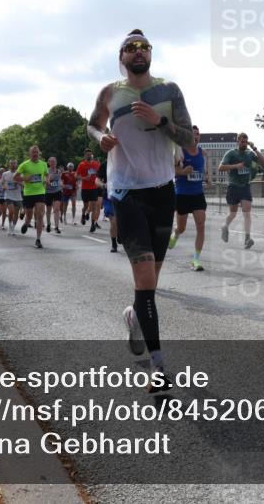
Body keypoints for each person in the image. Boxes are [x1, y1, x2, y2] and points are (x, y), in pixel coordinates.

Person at [88, 29, 194, 391]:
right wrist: (101, 137)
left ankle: (135, 315)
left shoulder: (170, 91)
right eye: (131, 48)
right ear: (121, 57)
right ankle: (159, 368)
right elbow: (92, 125)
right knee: (146, 280)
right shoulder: (110, 93)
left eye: (144, 47)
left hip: (163, 193)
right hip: (126, 192)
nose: (138, 52)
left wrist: (159, 121)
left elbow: (189, 140)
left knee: (150, 282)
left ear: (150, 54)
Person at [168, 124, 208, 271]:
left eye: (198, 134)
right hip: (182, 194)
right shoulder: (180, 152)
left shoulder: (202, 153)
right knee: (182, 228)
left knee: (201, 226)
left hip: (198, 194)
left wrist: (207, 177)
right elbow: (172, 170)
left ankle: (196, 260)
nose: (196, 136)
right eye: (193, 134)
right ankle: (175, 234)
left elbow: (202, 170)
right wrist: (183, 171)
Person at [218, 132, 264, 249]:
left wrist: (254, 148)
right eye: (242, 141)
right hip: (233, 187)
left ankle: (247, 238)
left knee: (247, 213)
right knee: (233, 213)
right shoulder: (231, 153)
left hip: (245, 187)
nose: (244, 144)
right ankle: (225, 226)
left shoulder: (250, 154)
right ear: (238, 141)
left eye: (246, 142)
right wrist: (235, 166)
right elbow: (220, 167)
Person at [15, 145, 48, 248]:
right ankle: (26, 223)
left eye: (37, 152)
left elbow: (46, 175)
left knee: (40, 214)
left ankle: (38, 239)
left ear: (39, 153)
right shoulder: (24, 165)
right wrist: (25, 179)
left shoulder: (43, 164)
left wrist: (47, 180)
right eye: (33, 152)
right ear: (30, 153)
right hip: (29, 193)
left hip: (40, 192)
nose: (35, 154)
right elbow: (15, 177)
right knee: (29, 215)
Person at [77, 149, 102, 232]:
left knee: (94, 207)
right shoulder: (81, 164)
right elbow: (76, 176)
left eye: (90, 154)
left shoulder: (96, 164)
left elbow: (100, 173)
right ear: (85, 155)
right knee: (86, 206)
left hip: (94, 188)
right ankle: (83, 215)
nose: (89, 156)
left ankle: (93, 224)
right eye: (87, 154)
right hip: (85, 189)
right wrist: (84, 178)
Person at [97, 158, 119, 252]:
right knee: (114, 220)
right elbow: (97, 180)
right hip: (109, 195)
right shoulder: (105, 165)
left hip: (124, 196)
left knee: (120, 220)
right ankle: (114, 244)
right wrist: (103, 185)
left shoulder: (126, 162)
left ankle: (120, 233)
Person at [0, 159, 22, 236]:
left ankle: (13, 228)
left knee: (16, 213)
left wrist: (20, 183)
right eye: (11, 163)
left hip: (18, 196)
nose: (13, 165)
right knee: (11, 211)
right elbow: (2, 183)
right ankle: (9, 226)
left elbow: (24, 184)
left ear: (16, 164)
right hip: (8, 195)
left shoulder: (20, 174)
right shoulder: (5, 174)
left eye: (14, 163)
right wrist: (4, 186)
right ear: (9, 164)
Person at [44, 156, 63, 234]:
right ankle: (48, 224)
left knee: (56, 209)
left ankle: (56, 227)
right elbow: (45, 180)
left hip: (57, 191)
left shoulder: (59, 171)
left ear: (56, 162)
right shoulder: (46, 171)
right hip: (48, 192)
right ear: (48, 163)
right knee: (48, 209)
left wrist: (61, 184)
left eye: (54, 161)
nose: (53, 163)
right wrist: (49, 180)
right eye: (51, 162)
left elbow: (60, 180)